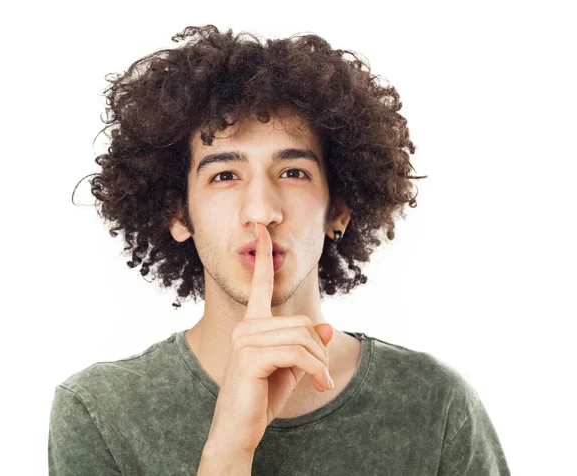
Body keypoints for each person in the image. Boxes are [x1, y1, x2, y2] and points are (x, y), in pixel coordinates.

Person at [49, 25, 511, 475]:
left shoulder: (437, 406)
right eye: (224, 175)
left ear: (340, 209)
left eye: (293, 172)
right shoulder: (100, 414)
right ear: (178, 214)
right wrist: (227, 451)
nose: (262, 211)